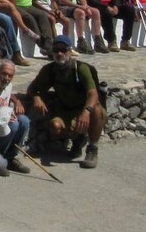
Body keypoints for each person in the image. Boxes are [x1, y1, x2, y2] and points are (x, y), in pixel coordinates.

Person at [26, 35, 106, 168]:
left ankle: (92, 149)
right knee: (55, 126)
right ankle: (78, 140)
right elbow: (32, 89)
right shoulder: (49, 70)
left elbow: (93, 94)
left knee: (96, 110)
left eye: (63, 50)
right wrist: (36, 98)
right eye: (56, 50)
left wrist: (86, 111)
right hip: (65, 110)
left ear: (70, 51)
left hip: (84, 108)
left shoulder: (80, 68)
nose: (59, 53)